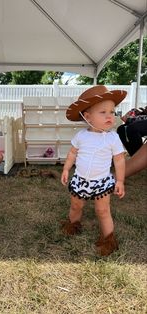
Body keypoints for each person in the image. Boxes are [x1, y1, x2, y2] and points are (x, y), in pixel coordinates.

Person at [61, 85, 127, 256]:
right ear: (87, 116)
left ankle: (108, 239)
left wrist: (119, 180)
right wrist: (67, 169)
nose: (109, 116)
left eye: (112, 112)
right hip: (80, 179)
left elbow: (119, 160)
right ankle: (73, 225)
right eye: (103, 112)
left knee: (103, 211)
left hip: (102, 182)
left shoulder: (113, 137)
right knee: (76, 205)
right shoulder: (81, 136)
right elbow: (72, 154)